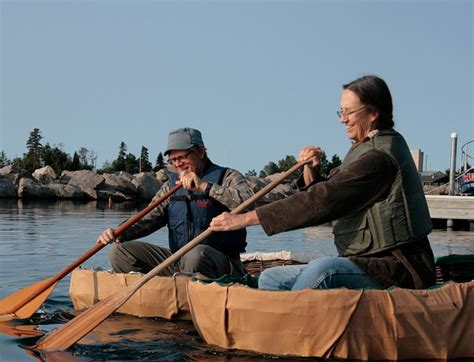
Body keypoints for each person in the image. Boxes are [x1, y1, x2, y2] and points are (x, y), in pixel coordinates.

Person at [210, 75, 437, 291]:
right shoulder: (363, 148)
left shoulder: (378, 158)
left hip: (398, 266)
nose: (342, 119)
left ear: (374, 113)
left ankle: (292, 326)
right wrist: (311, 169)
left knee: (322, 272)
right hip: (364, 260)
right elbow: (325, 190)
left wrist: (242, 219)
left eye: (349, 112)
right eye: (341, 111)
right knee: (271, 278)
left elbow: (324, 199)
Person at [98, 127, 254, 278]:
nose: (178, 164)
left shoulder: (228, 176)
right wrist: (119, 232)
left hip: (221, 264)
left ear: (200, 152)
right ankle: (157, 293)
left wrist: (203, 186)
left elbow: (249, 203)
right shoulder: (170, 186)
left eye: (182, 157)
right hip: (178, 261)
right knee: (119, 252)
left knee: (194, 255)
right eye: (173, 160)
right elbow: (148, 218)